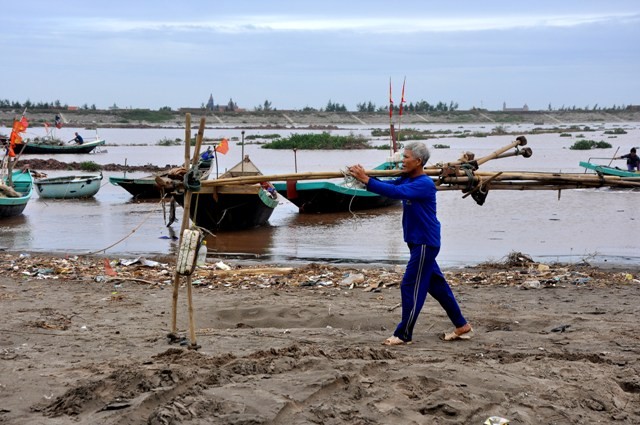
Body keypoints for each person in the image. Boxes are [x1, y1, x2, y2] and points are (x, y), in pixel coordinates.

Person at [348, 141, 472, 346]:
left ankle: (404, 333)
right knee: (437, 285)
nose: (402, 161)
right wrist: (364, 179)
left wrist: (366, 179)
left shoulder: (423, 184)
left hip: (425, 242)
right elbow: (388, 187)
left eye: (406, 157)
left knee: (410, 284)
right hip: (417, 242)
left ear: (418, 161)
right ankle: (461, 325)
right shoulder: (407, 178)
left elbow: (396, 194)